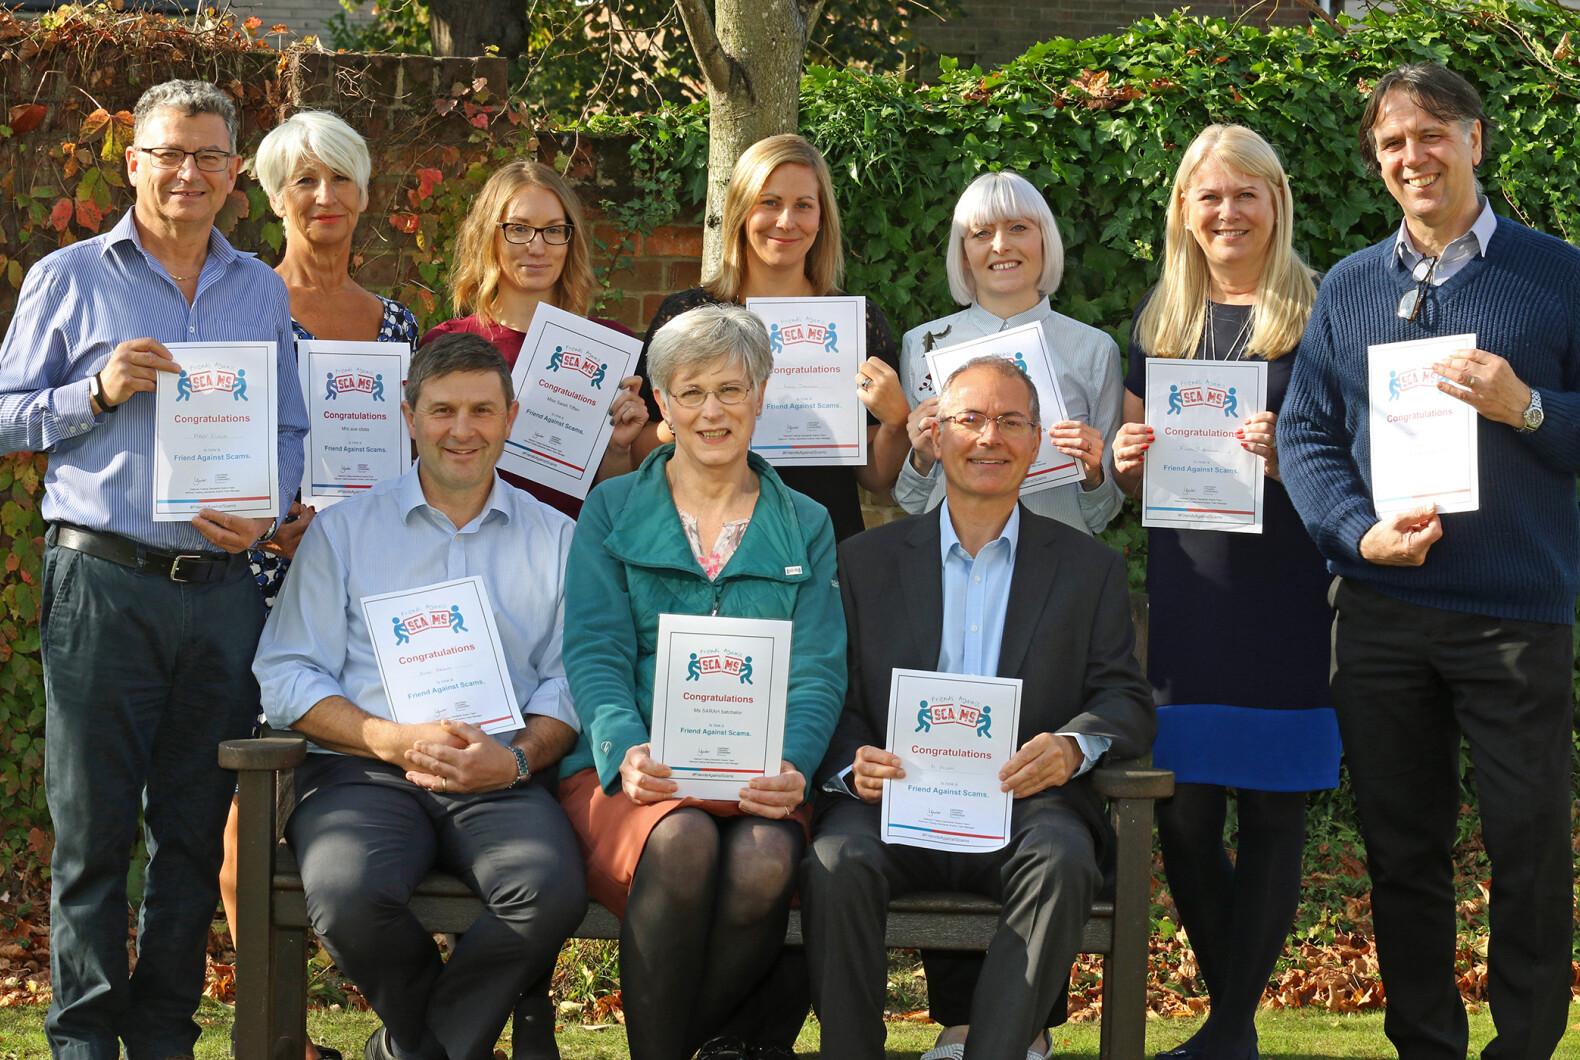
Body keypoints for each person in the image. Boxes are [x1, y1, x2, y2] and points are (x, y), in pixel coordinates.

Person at [0, 78, 307, 1060]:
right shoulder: (69, 276)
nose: (187, 172)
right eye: (168, 153)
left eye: (208, 157)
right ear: (132, 161)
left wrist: (268, 506)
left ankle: (167, 1031)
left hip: (219, 595)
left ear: (233, 175)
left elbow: (290, 426)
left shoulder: (258, 288)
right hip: (102, 584)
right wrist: (94, 390)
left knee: (191, 830)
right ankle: (85, 1038)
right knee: (92, 836)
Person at [1278, 63, 1580, 1060]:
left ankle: (1524, 1044)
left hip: (1512, 612)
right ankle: (1423, 1045)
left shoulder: (1557, 275)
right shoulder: (1351, 287)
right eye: (1391, 143)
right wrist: (1353, 532)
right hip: (1380, 611)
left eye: (1429, 134)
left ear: (1473, 141)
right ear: (1376, 162)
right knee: (1401, 852)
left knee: (1525, 842)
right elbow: (1305, 437)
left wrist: (1526, 406)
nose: (1411, 155)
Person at [802, 355, 1153, 1060]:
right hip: (893, 802)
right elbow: (827, 690)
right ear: (936, 436)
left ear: (1034, 442)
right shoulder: (862, 563)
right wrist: (847, 763)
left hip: (1023, 802)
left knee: (1063, 858)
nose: (988, 437)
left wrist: (1072, 746)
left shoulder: (1089, 568)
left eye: (1010, 422)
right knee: (835, 859)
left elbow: (1125, 697)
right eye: (970, 419)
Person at [252, 333, 586, 1060]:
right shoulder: (343, 533)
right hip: (362, 770)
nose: (461, 430)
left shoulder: (559, 539)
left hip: (496, 772)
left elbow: (571, 678)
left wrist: (518, 758)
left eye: (480, 410)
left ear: (510, 416)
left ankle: (407, 1051)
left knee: (548, 888)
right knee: (347, 893)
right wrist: (386, 738)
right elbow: (286, 674)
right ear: (408, 416)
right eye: (442, 410)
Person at [559, 303, 846, 1060]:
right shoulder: (611, 511)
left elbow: (818, 669)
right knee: (681, 840)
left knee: (765, 859)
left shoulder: (808, 523)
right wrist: (624, 746)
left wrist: (795, 766)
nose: (711, 411)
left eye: (731, 389)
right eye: (690, 392)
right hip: (641, 775)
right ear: (662, 402)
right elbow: (594, 651)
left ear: (760, 394)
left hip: (762, 772)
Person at [1107, 124, 1336, 1060]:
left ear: (1276, 202)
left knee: (1275, 807)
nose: (1228, 211)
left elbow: (1359, 456)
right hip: (1191, 598)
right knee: (1188, 816)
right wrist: (1126, 464)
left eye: (1246, 194)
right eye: (1210, 196)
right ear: (1184, 212)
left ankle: (1228, 1029)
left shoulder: (1322, 313)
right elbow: (1133, 472)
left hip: (1283, 592)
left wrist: (1299, 459)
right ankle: (1234, 1024)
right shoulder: (1159, 324)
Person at [630, 134, 910, 542]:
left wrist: (895, 420)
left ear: (821, 218)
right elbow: (640, 451)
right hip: (705, 539)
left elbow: (875, 477)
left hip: (820, 540)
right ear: (742, 211)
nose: (786, 222)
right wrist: (689, 414)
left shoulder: (856, 321)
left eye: (803, 206)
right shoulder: (688, 315)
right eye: (770, 202)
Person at [894, 170, 1124, 536]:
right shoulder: (921, 345)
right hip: (952, 566)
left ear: (1045, 240)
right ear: (965, 254)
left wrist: (1093, 472)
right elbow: (912, 501)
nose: (1000, 245)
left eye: (1018, 227)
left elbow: (1102, 513)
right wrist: (922, 457)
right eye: (982, 233)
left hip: (1059, 568)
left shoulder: (1095, 350)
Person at [422, 161, 647, 518]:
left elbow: (613, 504)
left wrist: (617, 448)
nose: (537, 247)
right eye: (519, 229)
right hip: (471, 549)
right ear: (489, 235)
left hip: (573, 554)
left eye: (554, 231)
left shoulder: (610, 347)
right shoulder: (447, 343)